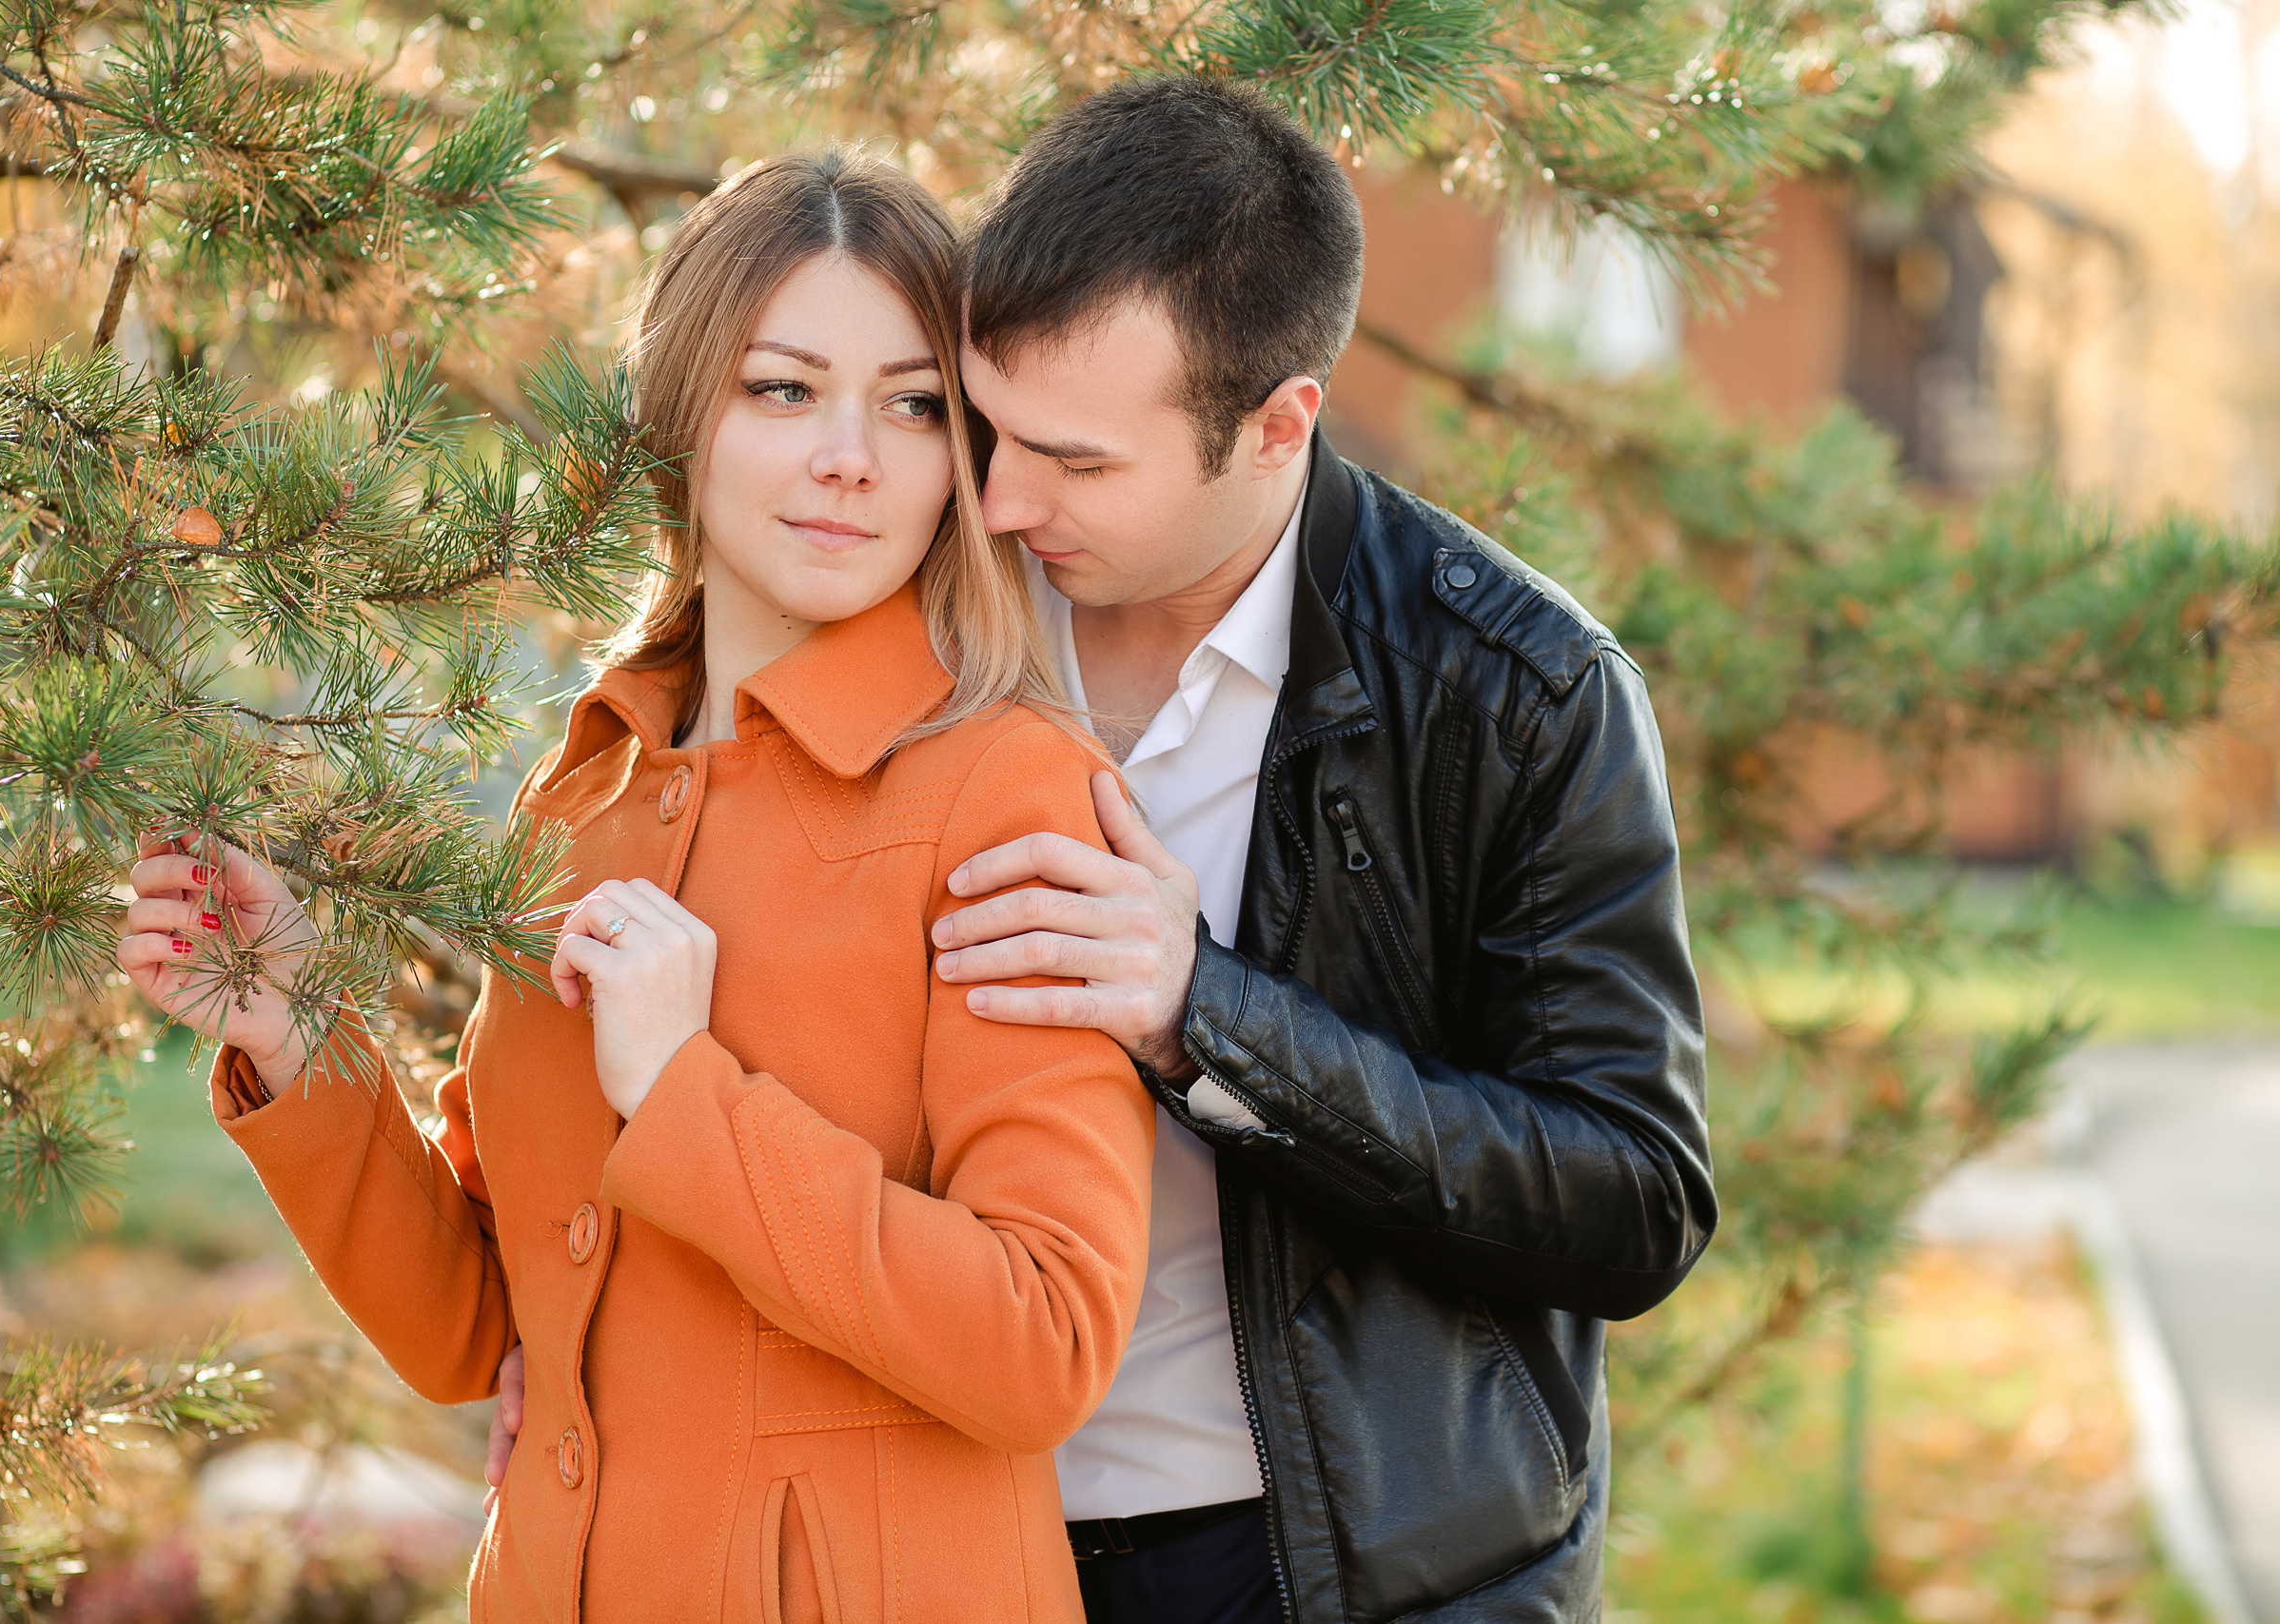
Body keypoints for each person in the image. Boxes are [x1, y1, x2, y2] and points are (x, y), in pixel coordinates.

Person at [487, 77, 1716, 1622]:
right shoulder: (924, 592)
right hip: (935, 1538)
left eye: (1073, 461)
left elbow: (1634, 1198)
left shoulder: (1512, 695)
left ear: (1276, 428)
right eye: (982, 423)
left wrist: (1209, 1015)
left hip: (1340, 1561)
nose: (1000, 501)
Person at [117, 150, 1156, 1624]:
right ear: (678, 415)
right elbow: (475, 1324)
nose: (850, 457)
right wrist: (301, 1031)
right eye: (783, 389)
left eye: (914, 405)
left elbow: (1042, 1341)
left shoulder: (1006, 787)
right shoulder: (587, 791)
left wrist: (684, 1091)